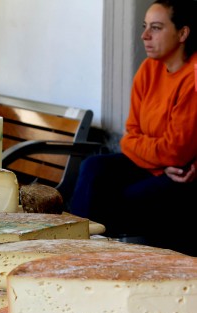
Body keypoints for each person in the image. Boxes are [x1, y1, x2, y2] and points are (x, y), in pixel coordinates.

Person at [70, 0, 197, 256]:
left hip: (181, 175)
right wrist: (158, 159)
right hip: (162, 167)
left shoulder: (192, 77)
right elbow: (129, 137)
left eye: (156, 28)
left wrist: (152, 153)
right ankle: (71, 247)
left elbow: (176, 152)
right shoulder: (149, 69)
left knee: (128, 197)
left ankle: (92, 255)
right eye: (144, 26)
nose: (145, 35)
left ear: (182, 33)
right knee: (93, 168)